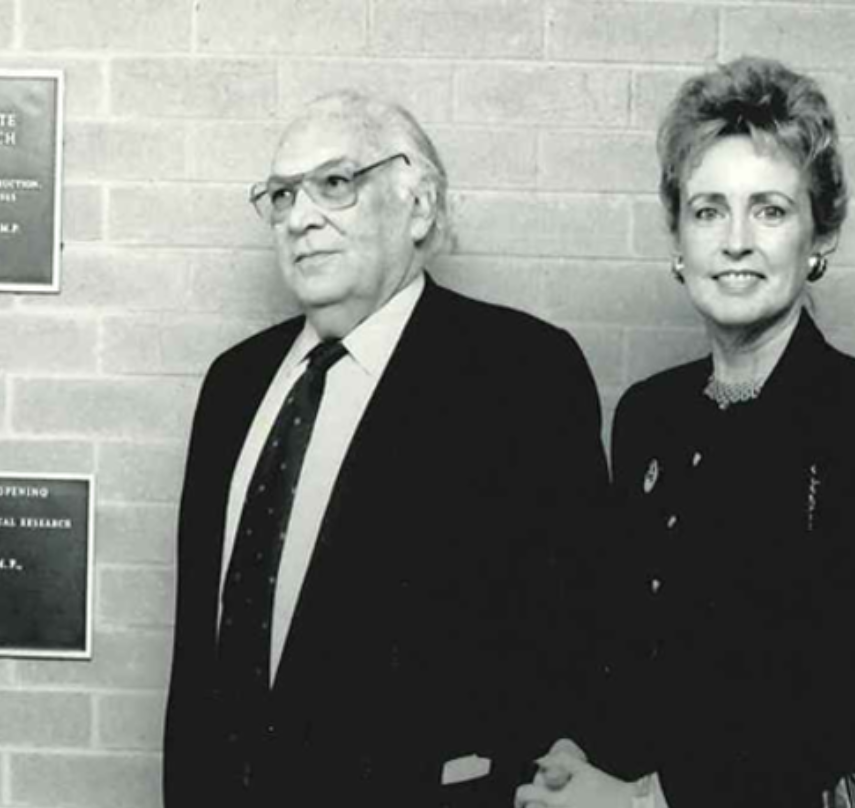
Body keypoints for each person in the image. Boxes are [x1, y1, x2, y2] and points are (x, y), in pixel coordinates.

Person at [518, 57, 855, 808]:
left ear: (821, 235)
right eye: (707, 211)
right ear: (677, 240)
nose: (735, 241)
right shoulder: (650, 416)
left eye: (770, 211)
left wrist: (643, 801)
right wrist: (577, 746)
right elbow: (621, 651)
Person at [163, 90, 610, 807]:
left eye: (335, 183)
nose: (300, 217)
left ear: (419, 207)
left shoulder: (520, 373)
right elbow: (198, 662)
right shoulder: (233, 386)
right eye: (282, 195)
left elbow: (579, 640)